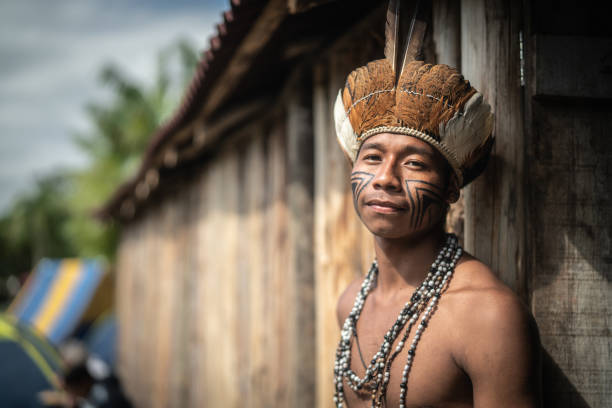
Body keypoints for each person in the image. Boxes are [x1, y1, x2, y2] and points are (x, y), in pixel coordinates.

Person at [331, 3, 542, 407]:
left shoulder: (487, 316)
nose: (386, 178)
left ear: (450, 190)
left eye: (414, 163)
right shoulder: (351, 302)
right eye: (372, 157)